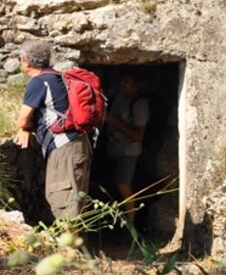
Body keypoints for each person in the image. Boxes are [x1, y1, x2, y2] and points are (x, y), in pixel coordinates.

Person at [12, 40, 93, 222]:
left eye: (19, 60)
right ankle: (75, 240)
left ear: (26, 61)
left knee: (64, 204)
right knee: (75, 202)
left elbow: (22, 119)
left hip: (64, 148)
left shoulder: (39, 82)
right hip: (77, 144)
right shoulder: (58, 77)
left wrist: (24, 127)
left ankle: (69, 241)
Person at [104, 73, 149, 225]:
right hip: (113, 149)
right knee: (114, 185)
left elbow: (138, 136)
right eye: (122, 80)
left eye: (126, 81)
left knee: (123, 185)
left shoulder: (140, 104)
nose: (121, 84)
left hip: (128, 153)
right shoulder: (119, 97)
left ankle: (131, 225)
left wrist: (116, 123)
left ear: (135, 87)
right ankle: (116, 221)